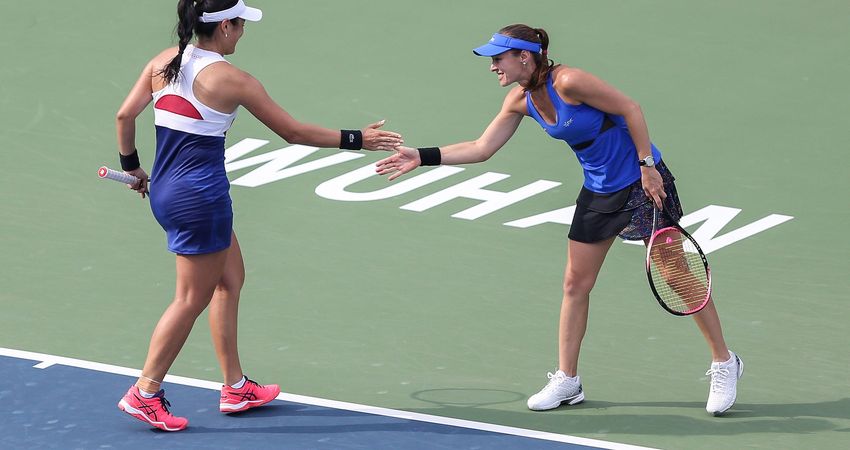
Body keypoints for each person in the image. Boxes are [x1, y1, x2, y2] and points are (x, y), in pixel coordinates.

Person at [375, 24, 742, 416]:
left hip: (642, 180)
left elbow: (630, 108)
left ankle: (725, 363)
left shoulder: (569, 82)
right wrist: (422, 156)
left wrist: (648, 165)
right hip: (600, 191)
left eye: (497, 59)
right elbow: (482, 148)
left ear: (524, 57)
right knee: (574, 284)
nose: (492, 67)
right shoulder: (520, 100)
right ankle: (568, 380)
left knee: (675, 273)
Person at [114, 0, 404, 431]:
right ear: (225, 27)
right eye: (241, 24)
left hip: (169, 192)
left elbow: (124, 115)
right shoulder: (233, 80)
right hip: (201, 200)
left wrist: (132, 167)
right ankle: (145, 392)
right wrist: (359, 139)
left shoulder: (163, 61)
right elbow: (294, 132)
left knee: (229, 281)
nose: (244, 32)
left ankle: (235, 387)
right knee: (190, 299)